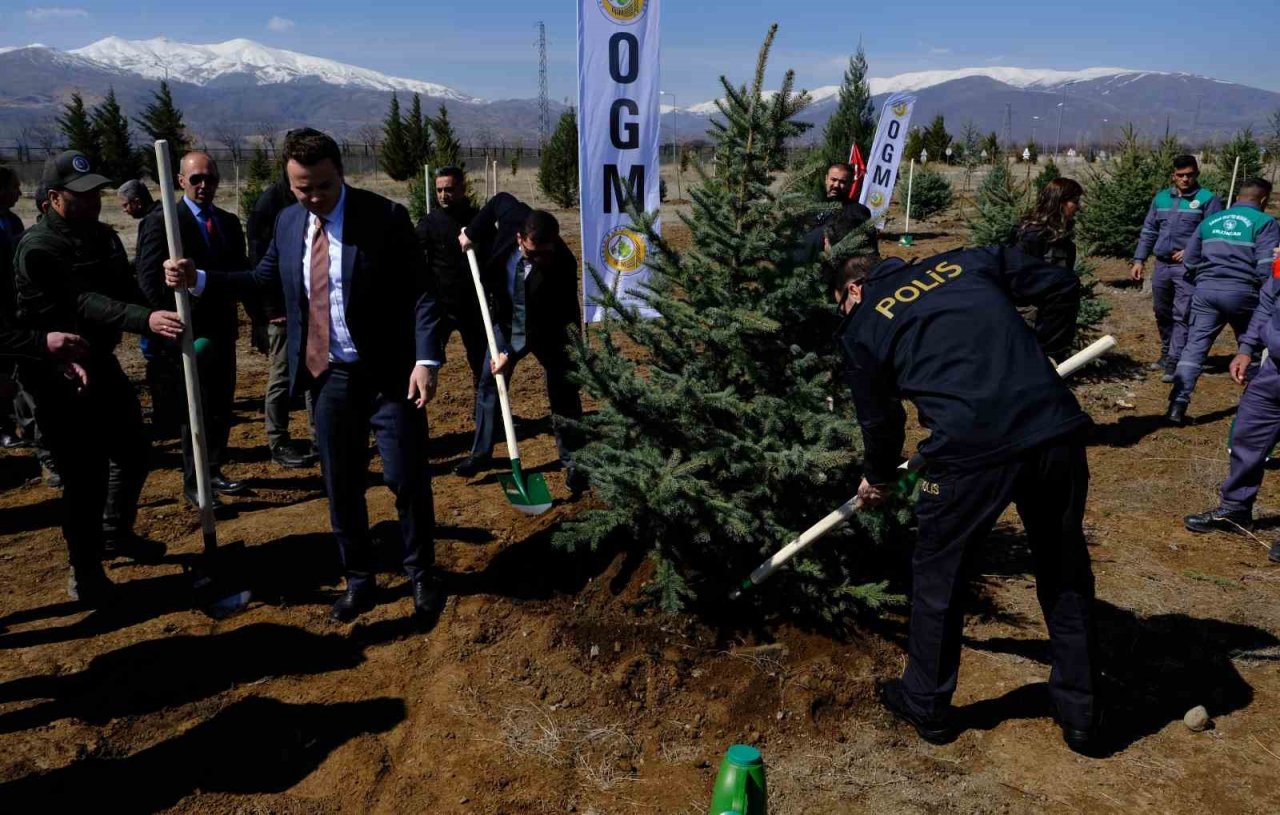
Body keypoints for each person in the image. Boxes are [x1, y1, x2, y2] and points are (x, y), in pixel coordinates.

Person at [164, 128, 446, 624]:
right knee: (340, 485)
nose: (312, 198)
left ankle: (422, 573)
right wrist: (201, 278)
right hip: (329, 376)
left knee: (405, 479)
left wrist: (426, 360)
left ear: (340, 172)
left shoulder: (384, 218)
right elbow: (261, 277)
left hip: (389, 376)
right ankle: (360, 581)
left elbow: (423, 292)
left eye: (321, 186)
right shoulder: (290, 223)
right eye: (301, 188)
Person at [831, 243, 1099, 754]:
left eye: (840, 302)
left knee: (940, 577)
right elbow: (1062, 283)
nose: (844, 312)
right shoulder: (970, 260)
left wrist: (879, 477)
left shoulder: (864, 325)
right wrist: (1044, 354)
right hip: (1053, 430)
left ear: (855, 289)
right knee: (1063, 566)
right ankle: (1081, 713)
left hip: (969, 456)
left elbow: (882, 422)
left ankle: (926, 704)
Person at [13, 150, 181, 603]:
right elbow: (81, 301)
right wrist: (142, 321)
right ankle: (84, 570)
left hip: (99, 362)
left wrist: (160, 301)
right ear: (53, 198)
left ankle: (115, 533)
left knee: (132, 452)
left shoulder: (102, 237)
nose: (94, 202)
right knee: (82, 478)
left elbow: (125, 289)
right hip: (54, 375)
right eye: (82, 195)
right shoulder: (40, 247)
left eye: (97, 194)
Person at [136, 151, 250, 506]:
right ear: (181, 181)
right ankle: (195, 479)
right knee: (194, 410)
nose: (204, 185)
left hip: (223, 330)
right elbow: (147, 279)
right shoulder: (163, 222)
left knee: (220, 405)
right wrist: (167, 307)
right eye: (196, 179)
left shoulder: (229, 223)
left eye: (210, 178)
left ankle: (213, 468)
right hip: (186, 333)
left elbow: (241, 275)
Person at [454, 194, 586, 492]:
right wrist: (471, 232)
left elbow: (537, 324)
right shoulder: (514, 214)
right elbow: (497, 200)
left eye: (546, 253)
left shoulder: (561, 265)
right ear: (519, 238)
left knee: (563, 389)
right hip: (505, 316)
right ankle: (481, 454)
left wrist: (507, 353)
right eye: (533, 252)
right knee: (490, 380)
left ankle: (574, 462)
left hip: (550, 327)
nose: (540, 259)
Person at [1184, 265, 1280, 565]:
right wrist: (1246, 348)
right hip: (1274, 372)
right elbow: (1267, 301)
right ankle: (1236, 508)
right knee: (1246, 436)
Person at [1164, 179, 1278, 424]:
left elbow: (1191, 259)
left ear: (1237, 197)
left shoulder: (1211, 221)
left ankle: (1177, 405)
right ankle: (1255, 407)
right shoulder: (1266, 223)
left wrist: (1206, 277)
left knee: (1194, 348)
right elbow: (1266, 269)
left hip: (1206, 292)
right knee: (1251, 349)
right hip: (1243, 294)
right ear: (1263, 200)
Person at [413, 166, 488, 473]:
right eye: (440, 189)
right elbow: (417, 263)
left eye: (450, 189)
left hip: (475, 305)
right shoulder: (429, 224)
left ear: (462, 189)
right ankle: (415, 426)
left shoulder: (478, 220)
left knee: (482, 366)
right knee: (424, 364)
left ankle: (483, 417)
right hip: (439, 307)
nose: (444, 194)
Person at [1131, 155, 1223, 382]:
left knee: (1182, 313)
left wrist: (1193, 251)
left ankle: (1175, 360)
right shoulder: (1161, 198)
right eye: (1180, 175)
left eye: (1190, 175)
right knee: (1162, 311)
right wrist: (1139, 259)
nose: (1185, 179)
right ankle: (1166, 353)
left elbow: (1213, 233)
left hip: (1187, 268)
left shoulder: (1207, 199)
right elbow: (1149, 230)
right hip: (1161, 265)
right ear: (1173, 175)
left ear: (1196, 174)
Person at [250, 172, 318, 469]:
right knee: (282, 375)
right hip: (281, 310)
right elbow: (259, 263)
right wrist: (267, 310)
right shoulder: (270, 205)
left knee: (315, 372)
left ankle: (320, 437)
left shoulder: (313, 198)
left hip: (313, 307)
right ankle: (278, 440)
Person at [1015, 177, 1083, 270]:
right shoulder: (1033, 235)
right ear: (1060, 201)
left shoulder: (1064, 237)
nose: (1078, 207)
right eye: (1075, 201)